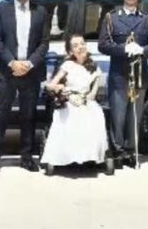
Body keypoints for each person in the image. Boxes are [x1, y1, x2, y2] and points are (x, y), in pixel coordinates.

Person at [0, 0, 50, 173]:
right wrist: (12, 63)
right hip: (7, 72)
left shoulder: (40, 11)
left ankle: (26, 157)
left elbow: (44, 43)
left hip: (31, 72)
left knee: (28, 116)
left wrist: (29, 64)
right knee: (1, 115)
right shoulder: (2, 9)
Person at [97, 0, 148, 169]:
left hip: (140, 74)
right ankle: (118, 150)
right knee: (118, 114)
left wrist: (143, 51)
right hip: (119, 74)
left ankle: (132, 150)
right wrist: (123, 49)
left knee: (135, 115)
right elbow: (103, 45)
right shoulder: (111, 17)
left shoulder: (147, 20)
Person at [40, 35, 109, 171]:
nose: (80, 47)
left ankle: (89, 155)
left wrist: (88, 96)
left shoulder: (93, 67)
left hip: (85, 100)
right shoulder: (68, 65)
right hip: (69, 100)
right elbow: (51, 84)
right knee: (72, 117)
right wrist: (60, 88)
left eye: (82, 44)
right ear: (71, 52)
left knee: (95, 115)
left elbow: (93, 92)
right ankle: (68, 155)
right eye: (76, 45)